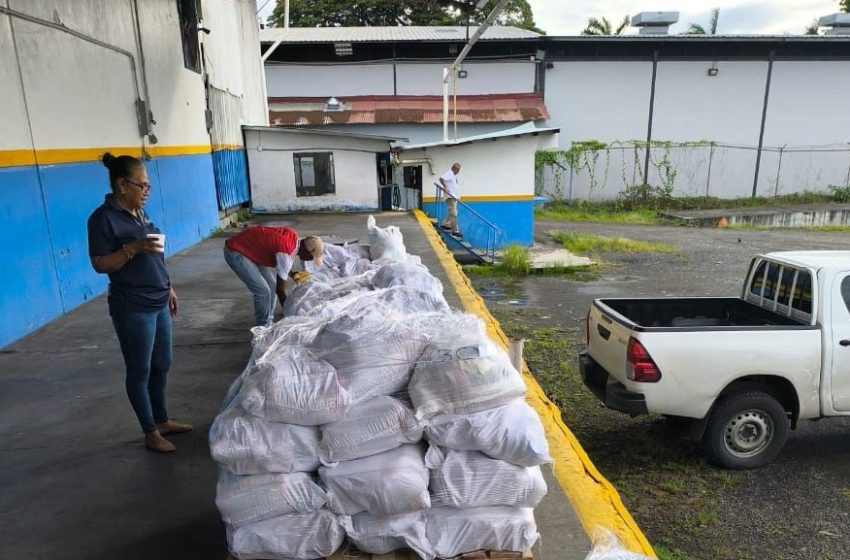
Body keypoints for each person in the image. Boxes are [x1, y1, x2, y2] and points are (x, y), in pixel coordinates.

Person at [87, 153, 190, 454]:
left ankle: (162, 419)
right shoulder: (102, 219)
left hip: (158, 298)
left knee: (163, 363)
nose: (147, 190)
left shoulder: (140, 213)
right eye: (142, 185)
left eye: (148, 185)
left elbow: (156, 254)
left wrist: (168, 285)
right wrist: (132, 248)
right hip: (133, 306)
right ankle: (149, 431)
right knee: (140, 369)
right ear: (122, 185)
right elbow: (100, 263)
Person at [224, 226, 325, 326]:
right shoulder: (286, 253)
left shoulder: (293, 236)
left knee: (271, 287)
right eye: (312, 257)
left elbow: (280, 255)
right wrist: (290, 317)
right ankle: (263, 326)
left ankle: (268, 319)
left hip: (250, 249)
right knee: (262, 291)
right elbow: (280, 290)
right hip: (236, 251)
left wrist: (292, 273)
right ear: (307, 251)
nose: (311, 260)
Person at [439, 162, 462, 238]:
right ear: (455, 168)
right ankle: (455, 230)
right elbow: (441, 178)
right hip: (450, 196)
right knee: (453, 213)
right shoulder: (450, 173)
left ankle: (445, 224)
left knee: (453, 212)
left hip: (453, 197)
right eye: (458, 170)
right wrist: (445, 187)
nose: (458, 172)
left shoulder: (453, 176)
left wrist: (458, 197)